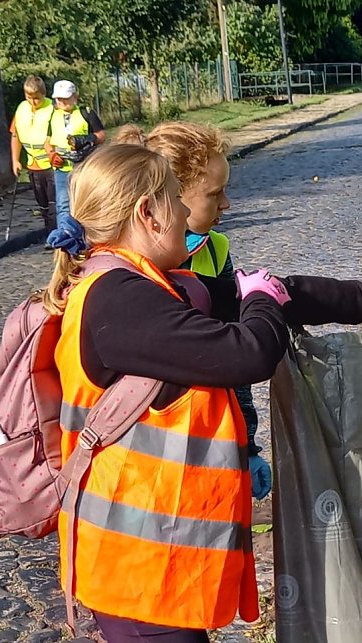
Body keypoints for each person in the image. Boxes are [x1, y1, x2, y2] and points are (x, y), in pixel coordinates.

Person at [46, 144, 362, 641]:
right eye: (176, 198)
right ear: (148, 213)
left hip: (155, 558)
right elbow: (248, 353)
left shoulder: (149, 285)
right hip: (135, 569)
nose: (187, 212)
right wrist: (260, 300)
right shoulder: (119, 301)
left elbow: (283, 293)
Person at [113, 121, 272, 501]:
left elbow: (235, 357)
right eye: (215, 194)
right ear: (172, 196)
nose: (226, 204)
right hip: (141, 458)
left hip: (210, 439)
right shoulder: (123, 269)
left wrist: (247, 443)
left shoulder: (216, 249)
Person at [44, 80, 105, 233]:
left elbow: (101, 135)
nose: (62, 102)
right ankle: (65, 235)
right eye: (59, 99)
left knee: (86, 201)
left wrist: (88, 139)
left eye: (65, 98)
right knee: (63, 204)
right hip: (62, 168)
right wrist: (51, 154)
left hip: (83, 167)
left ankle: (88, 233)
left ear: (75, 97)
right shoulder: (53, 116)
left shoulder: (86, 113)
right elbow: (47, 141)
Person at [9, 75, 56, 231]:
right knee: (42, 204)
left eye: (37, 98)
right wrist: (15, 160)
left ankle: (55, 234)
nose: (33, 102)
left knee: (54, 204)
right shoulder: (21, 108)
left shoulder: (52, 108)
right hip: (33, 165)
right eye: (29, 97)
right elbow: (15, 135)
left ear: (44, 94)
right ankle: (48, 230)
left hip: (52, 165)